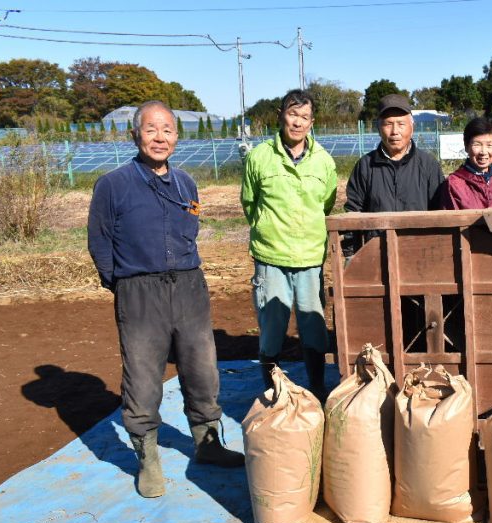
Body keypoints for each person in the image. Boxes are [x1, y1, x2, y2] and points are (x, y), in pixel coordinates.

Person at [87, 100, 243, 499]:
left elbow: (190, 229)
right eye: (151, 129)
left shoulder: (186, 183)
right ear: (135, 134)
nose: (160, 137)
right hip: (139, 290)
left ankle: (208, 444)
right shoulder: (113, 185)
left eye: (168, 129)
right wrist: (121, 283)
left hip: (189, 286)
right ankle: (148, 458)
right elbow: (99, 242)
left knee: (202, 369)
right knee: (142, 375)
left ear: (177, 135)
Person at [241, 89, 337, 400]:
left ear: (312, 122)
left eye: (304, 117)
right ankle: (272, 390)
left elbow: (326, 204)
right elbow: (250, 203)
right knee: (272, 327)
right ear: (282, 115)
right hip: (271, 257)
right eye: (292, 114)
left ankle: (318, 386)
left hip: (310, 257)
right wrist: (270, 229)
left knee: (313, 323)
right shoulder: (260, 157)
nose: (297, 122)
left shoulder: (323, 161)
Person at [343, 93, 445, 254]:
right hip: (376, 254)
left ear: (412, 127)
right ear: (378, 128)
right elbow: (353, 214)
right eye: (388, 124)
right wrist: (352, 257)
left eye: (401, 124)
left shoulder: (428, 165)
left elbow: (441, 212)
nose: (394, 131)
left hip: (420, 254)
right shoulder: (365, 166)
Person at [440, 117, 492, 209]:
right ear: (466, 146)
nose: (483, 152)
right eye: (477, 145)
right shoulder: (454, 184)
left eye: (489, 145)